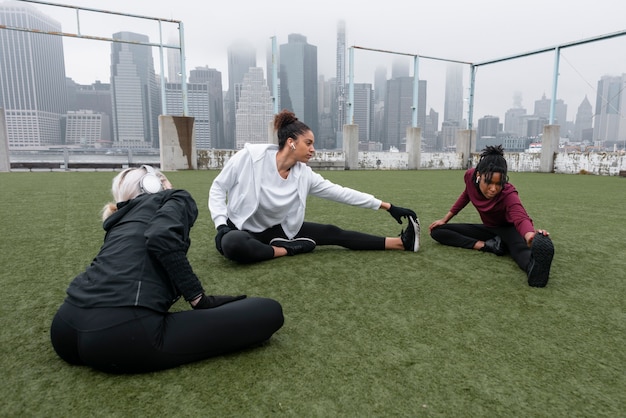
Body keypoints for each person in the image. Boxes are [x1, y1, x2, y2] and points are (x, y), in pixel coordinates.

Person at [50, 165, 284, 374]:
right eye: (164, 178)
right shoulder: (174, 197)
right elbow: (161, 236)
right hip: (120, 335)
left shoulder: (119, 218)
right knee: (269, 311)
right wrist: (198, 298)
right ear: (156, 184)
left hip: (64, 328)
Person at [208, 109, 420, 264]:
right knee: (231, 244)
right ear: (291, 142)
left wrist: (388, 206)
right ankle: (284, 250)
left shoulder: (304, 175)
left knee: (333, 232)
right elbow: (218, 188)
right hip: (241, 230)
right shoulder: (249, 158)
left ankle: (401, 243)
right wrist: (221, 225)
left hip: (280, 230)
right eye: (308, 143)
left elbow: (341, 193)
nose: (313, 149)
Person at [428, 145, 555, 287]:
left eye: (498, 184)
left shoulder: (508, 193)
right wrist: (444, 219)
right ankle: (489, 246)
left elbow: (520, 216)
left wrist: (530, 235)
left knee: (519, 249)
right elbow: (466, 196)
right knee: (438, 231)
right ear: (478, 176)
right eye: (488, 182)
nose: (493, 189)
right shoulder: (469, 177)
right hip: (489, 229)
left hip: (509, 229)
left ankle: (535, 269)